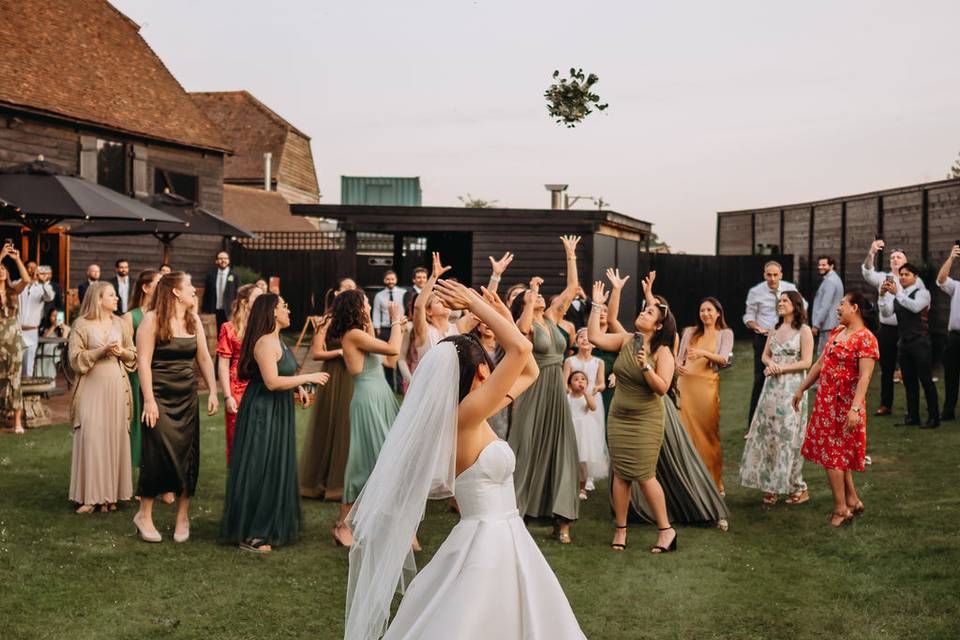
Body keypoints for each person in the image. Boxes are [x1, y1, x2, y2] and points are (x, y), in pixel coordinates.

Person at [344, 279, 586, 640]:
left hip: (506, 532)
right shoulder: (465, 417)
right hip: (488, 535)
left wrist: (504, 312)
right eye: (487, 364)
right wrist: (475, 305)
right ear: (480, 371)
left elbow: (530, 370)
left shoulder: (474, 413)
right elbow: (519, 349)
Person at [221, 294, 329, 553]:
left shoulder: (278, 339)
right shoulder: (264, 343)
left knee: (276, 464)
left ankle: (270, 524)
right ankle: (251, 533)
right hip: (262, 410)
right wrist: (310, 376)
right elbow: (271, 381)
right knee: (260, 466)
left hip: (277, 408)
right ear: (272, 312)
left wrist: (299, 386)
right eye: (284, 306)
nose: (288, 309)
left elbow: (285, 372)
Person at [588, 275, 678, 554]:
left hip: (646, 421)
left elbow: (662, 388)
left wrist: (646, 367)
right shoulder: (626, 340)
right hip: (619, 418)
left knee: (644, 474)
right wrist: (596, 305)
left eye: (649, 312)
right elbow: (594, 337)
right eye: (644, 309)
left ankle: (666, 531)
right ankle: (620, 529)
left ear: (659, 325)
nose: (642, 312)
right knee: (621, 474)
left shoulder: (663, 352)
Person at [133, 272, 218, 544]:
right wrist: (148, 399)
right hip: (157, 395)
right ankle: (144, 515)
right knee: (156, 454)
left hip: (186, 396)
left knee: (187, 454)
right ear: (175, 292)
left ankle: (183, 516)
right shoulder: (151, 320)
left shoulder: (193, 321)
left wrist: (213, 391)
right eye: (190, 286)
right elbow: (143, 362)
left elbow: (204, 357)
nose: (195, 290)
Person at [508, 236, 582, 544]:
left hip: (557, 393)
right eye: (532, 296)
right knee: (524, 449)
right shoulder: (523, 319)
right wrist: (530, 296)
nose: (538, 298)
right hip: (533, 388)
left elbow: (572, 289)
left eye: (538, 295)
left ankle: (561, 519)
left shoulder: (553, 317)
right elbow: (523, 330)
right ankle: (516, 514)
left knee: (561, 450)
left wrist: (570, 255)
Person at [326, 289, 404, 548]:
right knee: (364, 462)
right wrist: (394, 320)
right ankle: (342, 525)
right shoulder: (354, 335)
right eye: (366, 302)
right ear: (355, 307)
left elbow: (390, 360)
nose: (369, 305)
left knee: (384, 459)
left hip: (379, 394)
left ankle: (382, 524)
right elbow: (393, 346)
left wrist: (384, 322)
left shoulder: (361, 332)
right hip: (368, 399)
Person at [796, 292, 879, 527]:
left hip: (845, 405)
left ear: (855, 308)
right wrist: (801, 388)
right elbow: (821, 363)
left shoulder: (866, 338)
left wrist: (855, 409)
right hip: (826, 402)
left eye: (842, 304)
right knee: (836, 454)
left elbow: (865, 376)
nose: (838, 308)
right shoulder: (837, 332)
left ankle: (841, 510)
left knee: (834, 457)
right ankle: (852, 500)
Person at [739, 291, 814, 505]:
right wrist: (769, 364)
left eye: (785, 300)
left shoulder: (804, 331)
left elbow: (807, 362)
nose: (780, 303)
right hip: (771, 389)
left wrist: (782, 368)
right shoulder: (774, 328)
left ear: (795, 305)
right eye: (779, 300)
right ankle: (771, 486)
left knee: (790, 437)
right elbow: (765, 355)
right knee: (769, 436)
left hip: (793, 389)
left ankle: (797, 487)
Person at [67, 282, 136, 513]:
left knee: (114, 436)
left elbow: (132, 354)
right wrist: (100, 351)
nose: (116, 298)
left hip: (117, 387)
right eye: (111, 295)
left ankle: (111, 496)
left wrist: (121, 352)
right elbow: (74, 360)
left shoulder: (120, 323)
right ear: (98, 299)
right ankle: (90, 497)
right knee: (92, 437)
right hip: (91, 388)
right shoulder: (81, 324)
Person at [677, 296, 734, 494]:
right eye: (702, 310)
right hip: (684, 386)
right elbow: (679, 358)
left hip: (706, 388)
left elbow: (724, 359)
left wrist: (703, 352)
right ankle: (688, 484)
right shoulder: (690, 331)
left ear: (718, 313)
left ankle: (714, 483)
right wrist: (677, 367)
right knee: (684, 433)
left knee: (708, 434)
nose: (706, 314)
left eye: (710, 310)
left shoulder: (725, 334)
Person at [299, 302, 354, 500]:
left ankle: (342, 481)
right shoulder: (327, 322)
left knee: (346, 425)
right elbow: (317, 352)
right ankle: (318, 482)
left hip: (350, 375)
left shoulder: (354, 323)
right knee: (328, 421)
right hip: (332, 373)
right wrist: (339, 352)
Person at [862, 239, 921, 416]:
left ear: (906, 261)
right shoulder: (882, 278)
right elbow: (867, 271)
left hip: (906, 330)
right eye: (892, 257)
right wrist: (871, 252)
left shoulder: (912, 281)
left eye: (899, 257)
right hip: (886, 330)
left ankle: (912, 410)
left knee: (909, 370)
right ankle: (885, 405)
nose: (895, 259)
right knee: (886, 369)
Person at [879, 263, 939, 428]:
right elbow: (886, 313)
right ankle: (913, 417)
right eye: (901, 275)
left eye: (907, 274)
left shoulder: (923, 293)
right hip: (904, 343)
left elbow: (915, 308)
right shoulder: (900, 294)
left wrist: (897, 293)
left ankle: (934, 417)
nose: (903, 277)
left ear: (915, 277)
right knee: (909, 382)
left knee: (926, 380)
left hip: (920, 341)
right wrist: (882, 296)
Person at [743, 261, 802, 426]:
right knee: (760, 379)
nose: (772, 278)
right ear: (764, 275)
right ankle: (753, 424)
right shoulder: (755, 292)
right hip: (764, 338)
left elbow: (801, 307)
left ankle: (783, 421)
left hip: (788, 338)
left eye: (775, 274)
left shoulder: (790, 288)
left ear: (781, 275)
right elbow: (748, 316)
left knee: (786, 379)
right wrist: (757, 327)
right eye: (769, 274)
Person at [121, 270, 161, 473]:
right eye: (158, 283)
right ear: (145, 288)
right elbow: (125, 351)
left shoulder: (164, 315)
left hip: (162, 376)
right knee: (138, 425)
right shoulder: (130, 317)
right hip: (137, 378)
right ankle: (136, 476)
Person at [216, 284, 262, 463]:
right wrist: (227, 396)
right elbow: (223, 364)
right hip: (237, 389)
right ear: (245, 302)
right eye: (257, 297)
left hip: (260, 385)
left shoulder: (264, 326)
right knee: (238, 439)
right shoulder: (229, 327)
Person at [563, 328, 607, 493]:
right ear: (576, 341)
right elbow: (564, 382)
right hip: (574, 400)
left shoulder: (598, 362)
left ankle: (589, 476)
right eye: (581, 337)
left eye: (589, 337)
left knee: (593, 436)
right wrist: (571, 392)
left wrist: (594, 389)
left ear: (594, 343)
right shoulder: (570, 361)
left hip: (592, 400)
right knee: (577, 436)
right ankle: (575, 473)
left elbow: (601, 382)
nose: (585, 339)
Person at [0, 243, 30, 434]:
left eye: (3, 268)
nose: (1, 271)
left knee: (15, 379)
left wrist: (16, 259)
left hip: (14, 339)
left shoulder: (13, 291)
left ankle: (17, 422)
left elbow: (26, 279)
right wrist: (1, 255)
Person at [566, 370, 606, 501]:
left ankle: (582, 488)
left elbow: (593, 407)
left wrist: (586, 394)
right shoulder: (567, 397)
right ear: (570, 384)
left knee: (582, 461)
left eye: (583, 379)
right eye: (576, 379)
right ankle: (568, 486)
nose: (580, 381)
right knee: (568, 459)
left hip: (583, 432)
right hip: (570, 429)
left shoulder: (586, 396)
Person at [17, 260, 55, 377]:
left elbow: (49, 297)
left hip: (32, 331)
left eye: (35, 268)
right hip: (17, 330)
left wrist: (43, 282)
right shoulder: (17, 284)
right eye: (29, 267)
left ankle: (27, 394)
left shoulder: (42, 288)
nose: (32, 270)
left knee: (28, 365)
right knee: (15, 363)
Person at [936, 244, 960, 421]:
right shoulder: (957, 286)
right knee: (951, 375)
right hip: (955, 338)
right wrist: (951, 258)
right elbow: (941, 280)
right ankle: (948, 411)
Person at [371, 270, 405, 387]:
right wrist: (377, 327)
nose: (390, 281)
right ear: (384, 280)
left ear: (396, 280)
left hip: (400, 327)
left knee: (400, 355)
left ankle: (401, 385)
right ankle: (389, 384)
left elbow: (406, 309)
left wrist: (403, 325)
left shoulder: (403, 293)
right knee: (387, 356)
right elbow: (376, 312)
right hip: (385, 328)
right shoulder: (379, 295)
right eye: (388, 279)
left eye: (392, 279)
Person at [811, 256, 844, 357]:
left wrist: (816, 325)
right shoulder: (833, 279)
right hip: (831, 323)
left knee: (823, 356)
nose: (820, 267)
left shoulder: (830, 281)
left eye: (824, 265)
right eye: (819, 264)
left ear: (832, 265)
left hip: (828, 324)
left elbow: (826, 305)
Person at [201, 251, 238, 328]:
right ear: (216, 261)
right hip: (214, 310)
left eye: (225, 258)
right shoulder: (210, 276)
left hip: (229, 310)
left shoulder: (234, 276)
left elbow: (236, 293)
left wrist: (236, 309)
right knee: (216, 333)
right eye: (220, 258)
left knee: (228, 332)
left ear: (229, 261)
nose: (223, 260)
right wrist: (204, 310)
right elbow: (206, 294)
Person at [36, 306, 70, 379]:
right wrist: (54, 326)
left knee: (51, 356)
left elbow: (63, 342)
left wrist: (63, 328)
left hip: (56, 349)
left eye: (57, 316)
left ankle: (49, 377)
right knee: (43, 356)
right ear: (49, 316)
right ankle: (42, 377)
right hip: (44, 349)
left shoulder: (62, 328)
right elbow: (44, 337)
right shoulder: (45, 326)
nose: (55, 318)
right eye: (53, 316)